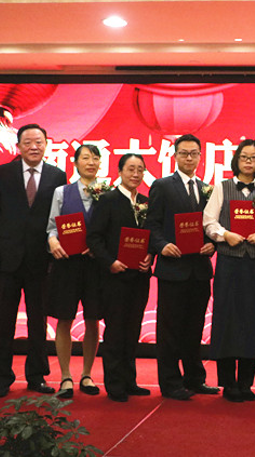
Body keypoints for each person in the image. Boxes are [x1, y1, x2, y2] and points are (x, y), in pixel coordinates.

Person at [0, 123, 67, 398]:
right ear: (18, 146)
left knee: (38, 322)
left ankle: (36, 376)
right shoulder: (3, 172)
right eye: (28, 142)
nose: (34, 147)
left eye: (39, 142)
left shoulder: (57, 175)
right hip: (7, 260)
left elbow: (61, 217)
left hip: (41, 260)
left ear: (46, 144)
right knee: (3, 321)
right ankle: (1, 378)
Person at [145, 134, 219, 400]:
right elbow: (152, 224)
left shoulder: (208, 188)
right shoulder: (162, 185)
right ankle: (170, 382)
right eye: (184, 153)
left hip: (199, 270)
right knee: (170, 329)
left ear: (200, 157)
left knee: (194, 328)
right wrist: (162, 245)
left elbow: (213, 226)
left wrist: (213, 244)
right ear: (175, 156)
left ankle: (195, 379)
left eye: (194, 153)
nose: (189, 158)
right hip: (172, 268)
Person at [203, 139, 255, 402]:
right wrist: (224, 234)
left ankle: (246, 382)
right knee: (227, 319)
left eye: (253, 158)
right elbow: (208, 221)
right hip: (229, 261)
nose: (248, 162)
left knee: (253, 320)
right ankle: (228, 382)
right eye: (244, 157)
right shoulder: (222, 187)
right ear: (236, 159)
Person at [87, 153, 153, 402]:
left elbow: (152, 236)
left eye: (140, 170)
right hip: (114, 276)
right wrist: (110, 262)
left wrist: (150, 256)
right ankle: (114, 384)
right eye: (131, 169)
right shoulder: (108, 200)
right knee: (115, 330)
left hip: (139, 277)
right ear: (120, 172)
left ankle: (129, 380)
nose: (135, 174)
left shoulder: (146, 202)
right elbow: (94, 237)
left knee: (133, 329)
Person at [45, 144, 104, 399]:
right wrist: (53, 241)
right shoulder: (62, 192)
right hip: (66, 264)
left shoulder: (108, 193)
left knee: (93, 319)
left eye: (95, 158)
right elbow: (51, 226)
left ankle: (87, 374)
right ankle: (66, 376)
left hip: (95, 266)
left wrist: (100, 248)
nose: (91, 162)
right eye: (85, 158)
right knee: (64, 318)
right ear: (75, 162)